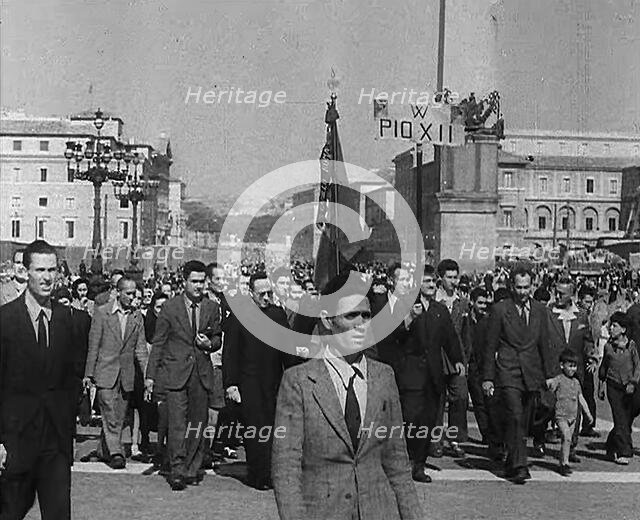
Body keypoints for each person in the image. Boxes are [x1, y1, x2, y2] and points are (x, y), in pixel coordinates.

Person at [272, 271, 421, 520]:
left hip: (380, 510)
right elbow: (286, 468)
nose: (361, 323)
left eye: (366, 315)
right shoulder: (298, 382)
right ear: (328, 321)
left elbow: (397, 462)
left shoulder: (384, 377)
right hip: (322, 511)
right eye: (351, 315)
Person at [0, 240, 80, 519]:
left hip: (55, 442)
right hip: (16, 440)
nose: (47, 277)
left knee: (58, 514)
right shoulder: (6, 320)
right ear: (26, 273)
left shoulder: (66, 319)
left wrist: (67, 427)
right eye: (40, 270)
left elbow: (71, 380)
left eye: (52, 270)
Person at [145, 260, 222, 490]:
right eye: (194, 282)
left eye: (202, 281)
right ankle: (177, 470)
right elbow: (158, 343)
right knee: (177, 424)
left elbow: (217, 338)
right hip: (175, 374)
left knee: (197, 424)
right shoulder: (170, 308)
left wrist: (209, 343)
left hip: (200, 374)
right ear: (185, 281)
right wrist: (151, 377)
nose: (199, 286)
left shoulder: (211, 308)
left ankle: (191, 467)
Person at [483, 264, 557, 485]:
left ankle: (511, 462)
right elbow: (490, 345)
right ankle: (520, 465)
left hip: (532, 371)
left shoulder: (540, 311)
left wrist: (550, 373)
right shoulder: (500, 309)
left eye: (526, 287)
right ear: (511, 286)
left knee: (522, 421)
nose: (523, 292)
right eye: (519, 287)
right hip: (508, 369)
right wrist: (488, 377)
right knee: (515, 415)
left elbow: (545, 343)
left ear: (532, 285)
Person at [397, 265, 464, 483]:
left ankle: (419, 465)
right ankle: (405, 462)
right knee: (410, 420)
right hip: (411, 375)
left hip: (434, 376)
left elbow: (451, 339)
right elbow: (393, 337)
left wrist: (457, 360)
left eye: (433, 282)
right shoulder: (404, 306)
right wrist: (409, 319)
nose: (431, 285)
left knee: (427, 421)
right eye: (426, 281)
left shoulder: (440, 310)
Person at [223, 272, 290, 490]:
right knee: (254, 428)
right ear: (251, 293)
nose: (266, 297)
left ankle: (270, 472)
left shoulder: (278, 315)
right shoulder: (239, 316)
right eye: (261, 294)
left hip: (273, 381)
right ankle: (258, 474)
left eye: (269, 293)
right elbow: (230, 352)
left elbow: (287, 349)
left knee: (271, 428)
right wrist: (231, 384)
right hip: (248, 382)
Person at [83, 277, 149, 469]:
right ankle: (116, 453)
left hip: (126, 374)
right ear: (118, 292)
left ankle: (104, 450)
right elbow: (93, 345)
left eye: (134, 293)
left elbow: (141, 350)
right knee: (109, 412)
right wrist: (89, 373)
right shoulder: (102, 313)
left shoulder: (137, 317)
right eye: (128, 293)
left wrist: (147, 377)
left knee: (118, 417)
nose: (132, 297)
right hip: (105, 372)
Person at [461, 287, 503, 460]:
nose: (483, 306)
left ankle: (489, 435)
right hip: (470, 364)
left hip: (483, 365)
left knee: (488, 402)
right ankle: (486, 433)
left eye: (485, 303)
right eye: (480, 303)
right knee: (478, 402)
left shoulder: (489, 319)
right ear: (472, 302)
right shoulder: (465, 319)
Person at [434, 259, 469, 458]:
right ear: (441, 278)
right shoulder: (433, 301)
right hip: (437, 357)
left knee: (460, 398)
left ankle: (455, 439)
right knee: (438, 401)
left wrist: (465, 361)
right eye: (449, 277)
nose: (453, 281)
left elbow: (467, 336)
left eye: (456, 277)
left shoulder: (462, 302)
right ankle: (436, 440)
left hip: (456, 359)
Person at [597, 311, 640, 465]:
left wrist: (633, 383)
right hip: (612, 386)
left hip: (629, 387)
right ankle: (624, 452)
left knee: (625, 418)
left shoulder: (632, 346)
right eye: (610, 325)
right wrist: (601, 385)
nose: (610, 328)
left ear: (623, 329)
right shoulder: (608, 346)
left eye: (614, 326)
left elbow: (637, 367)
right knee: (619, 417)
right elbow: (604, 368)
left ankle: (611, 445)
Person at [548, 349, 594, 476]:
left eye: (575, 366)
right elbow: (550, 386)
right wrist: (548, 383)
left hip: (572, 416)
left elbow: (581, 398)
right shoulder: (559, 379)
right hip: (561, 416)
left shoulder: (576, 382)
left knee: (566, 440)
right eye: (570, 366)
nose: (573, 369)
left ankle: (563, 461)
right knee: (567, 437)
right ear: (562, 365)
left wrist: (588, 414)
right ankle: (564, 463)